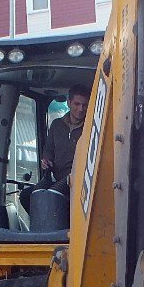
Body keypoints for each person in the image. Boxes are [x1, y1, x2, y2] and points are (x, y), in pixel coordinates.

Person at [21, 84, 92, 213]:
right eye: (77, 104)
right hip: (55, 177)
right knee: (27, 196)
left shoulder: (90, 129)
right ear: (69, 103)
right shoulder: (56, 125)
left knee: (53, 197)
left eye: (85, 105)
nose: (81, 109)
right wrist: (46, 160)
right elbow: (48, 149)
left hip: (77, 183)